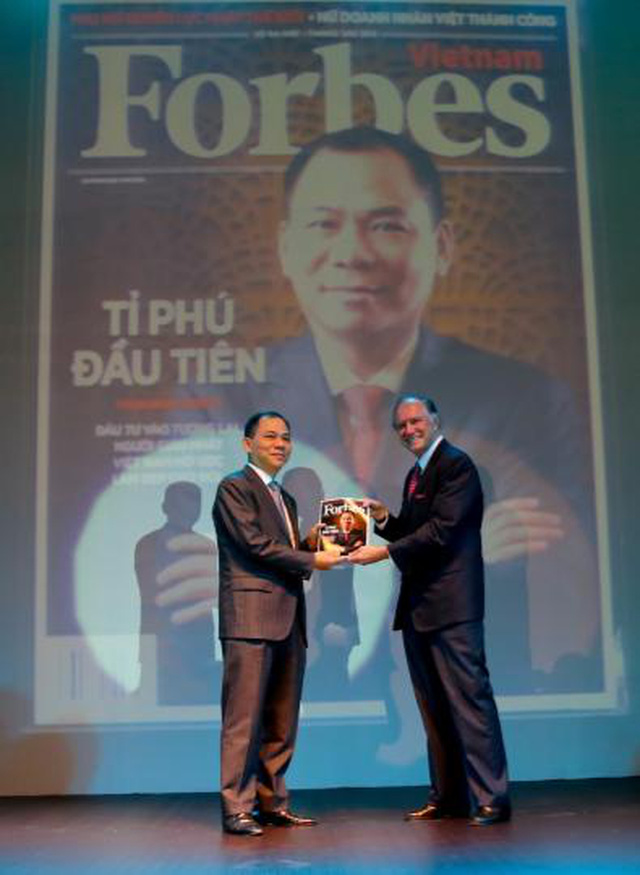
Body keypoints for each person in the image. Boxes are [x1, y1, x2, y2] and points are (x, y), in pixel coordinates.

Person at [349, 393, 510, 826]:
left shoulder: (456, 466)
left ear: (435, 420)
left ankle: (492, 798)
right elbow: (413, 531)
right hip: (421, 608)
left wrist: (384, 553)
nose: (409, 430)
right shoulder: (416, 474)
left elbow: (442, 532)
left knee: (469, 702)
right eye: (401, 425)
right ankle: (448, 797)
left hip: (452, 606)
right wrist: (384, 520)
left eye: (416, 421)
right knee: (434, 710)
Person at [212, 410, 344, 835]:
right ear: (247, 443)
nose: (280, 444)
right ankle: (237, 807)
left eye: (286, 437)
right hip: (250, 619)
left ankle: (272, 803)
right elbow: (254, 545)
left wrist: (315, 542)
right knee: (244, 720)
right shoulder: (234, 487)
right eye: (270, 436)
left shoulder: (284, 497)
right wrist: (311, 558)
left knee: (281, 722)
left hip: (288, 618)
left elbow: (280, 550)